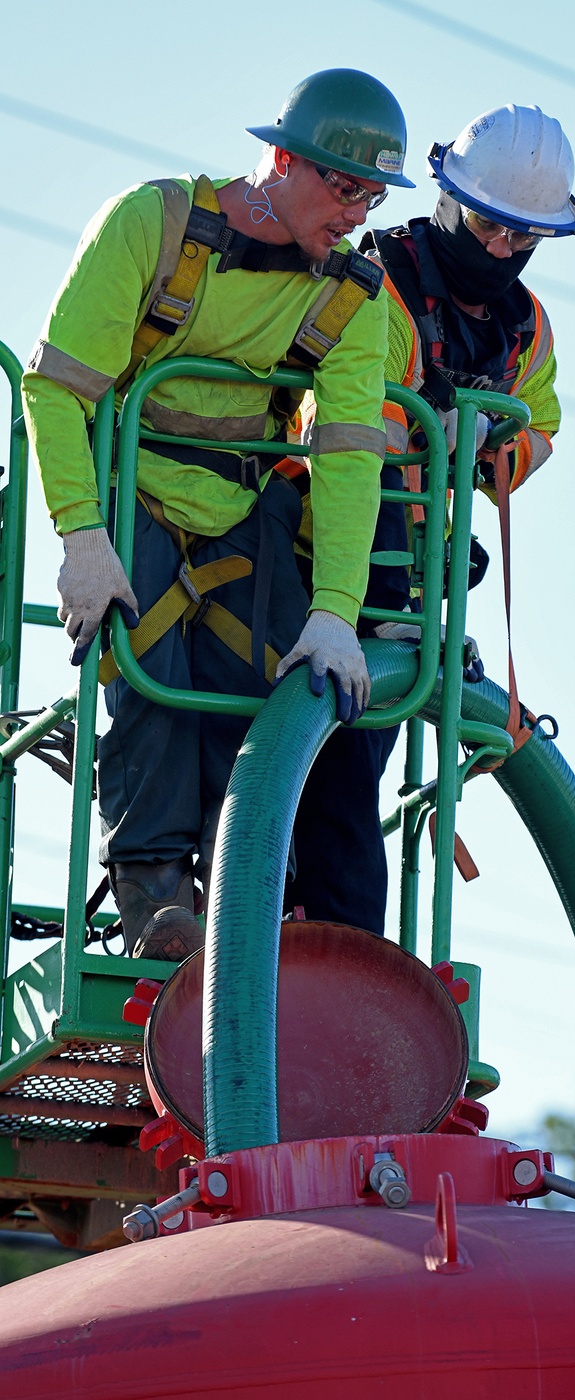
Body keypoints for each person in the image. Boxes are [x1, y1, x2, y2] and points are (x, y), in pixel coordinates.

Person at [21, 69, 414, 960]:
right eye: (344, 186)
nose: (357, 212)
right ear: (280, 159)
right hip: (131, 488)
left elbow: (351, 455)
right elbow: (54, 389)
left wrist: (337, 612)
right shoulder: (154, 225)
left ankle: (238, 897)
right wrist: (82, 534)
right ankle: (157, 896)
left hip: (241, 506)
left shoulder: (350, 293)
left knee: (261, 680)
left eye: (372, 196)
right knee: (151, 671)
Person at [283, 104, 575, 935]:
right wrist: (434, 428)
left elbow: (544, 426)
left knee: (356, 767)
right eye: (490, 225)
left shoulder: (526, 331)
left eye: (523, 238)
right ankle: (297, 928)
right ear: (450, 194)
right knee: (312, 767)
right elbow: (353, 438)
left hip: (413, 568)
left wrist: (492, 445)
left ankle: (335, 942)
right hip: (310, 539)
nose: (501, 249)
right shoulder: (379, 283)